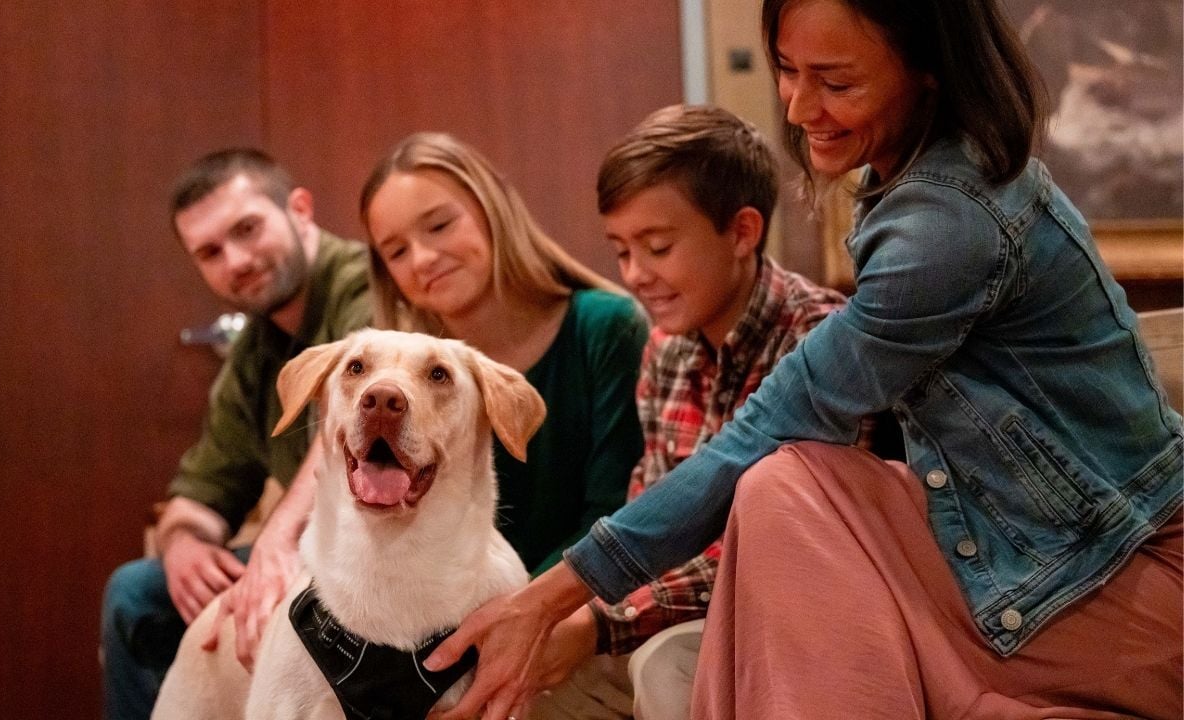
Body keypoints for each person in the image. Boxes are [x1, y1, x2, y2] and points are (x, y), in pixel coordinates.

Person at [423, 2, 1184, 719]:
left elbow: (775, 420)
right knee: (778, 492)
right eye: (787, 70)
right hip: (1015, 538)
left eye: (836, 82)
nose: (796, 108)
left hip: (1113, 570)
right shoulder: (911, 187)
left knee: (780, 488)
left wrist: (555, 601)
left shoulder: (948, 225)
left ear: (928, 68)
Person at [534, 104, 848, 720]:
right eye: (621, 251)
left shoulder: (820, 340)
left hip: (795, 615)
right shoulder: (665, 350)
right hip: (672, 611)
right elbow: (652, 514)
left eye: (658, 247)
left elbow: (767, 553)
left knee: (665, 666)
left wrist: (602, 621)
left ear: (742, 232)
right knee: (533, 682)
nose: (635, 274)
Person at [360, 131, 647, 719]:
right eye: (397, 251)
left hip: (577, 621)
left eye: (440, 225)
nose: (423, 258)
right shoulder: (392, 385)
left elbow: (612, 517)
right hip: (435, 636)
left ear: (492, 208)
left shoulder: (607, 328)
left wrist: (514, 614)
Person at [100, 148, 372, 720]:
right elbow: (199, 496)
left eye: (247, 229)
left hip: (385, 550)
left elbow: (346, 431)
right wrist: (183, 547)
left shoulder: (369, 286)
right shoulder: (253, 351)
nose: (236, 261)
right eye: (210, 252)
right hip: (312, 550)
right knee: (137, 594)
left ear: (300, 209)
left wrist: (276, 542)